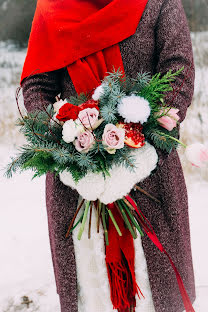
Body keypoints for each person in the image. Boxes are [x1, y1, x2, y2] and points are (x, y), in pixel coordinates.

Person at [20, 0, 196, 311]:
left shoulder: (158, 3)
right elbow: (37, 83)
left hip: (151, 174)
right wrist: (60, 141)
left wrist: (144, 140)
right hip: (76, 182)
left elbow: (177, 69)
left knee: (159, 296)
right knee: (90, 293)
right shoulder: (51, 8)